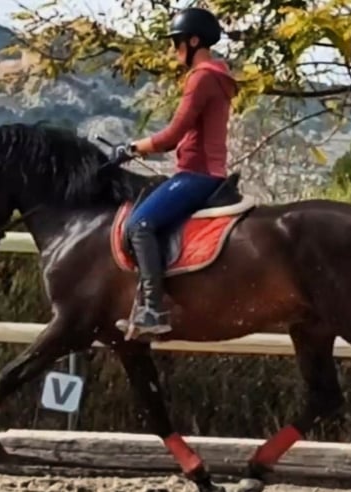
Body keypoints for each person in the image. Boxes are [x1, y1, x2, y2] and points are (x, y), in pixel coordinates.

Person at [118, 7, 238, 338]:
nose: (174, 51)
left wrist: (132, 147)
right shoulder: (219, 76)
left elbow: (172, 136)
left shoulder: (201, 77)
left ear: (193, 41)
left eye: (176, 43)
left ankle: (153, 309)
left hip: (197, 175)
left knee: (139, 224)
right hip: (206, 172)